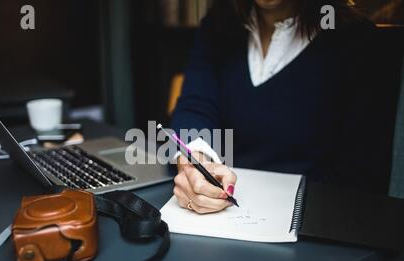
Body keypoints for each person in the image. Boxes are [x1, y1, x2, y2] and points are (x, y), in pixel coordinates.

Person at [171, 0, 398, 213]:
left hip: (315, 223)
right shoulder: (219, 25)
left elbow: (359, 177)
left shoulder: (358, 41)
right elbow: (195, 106)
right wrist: (196, 160)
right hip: (223, 217)